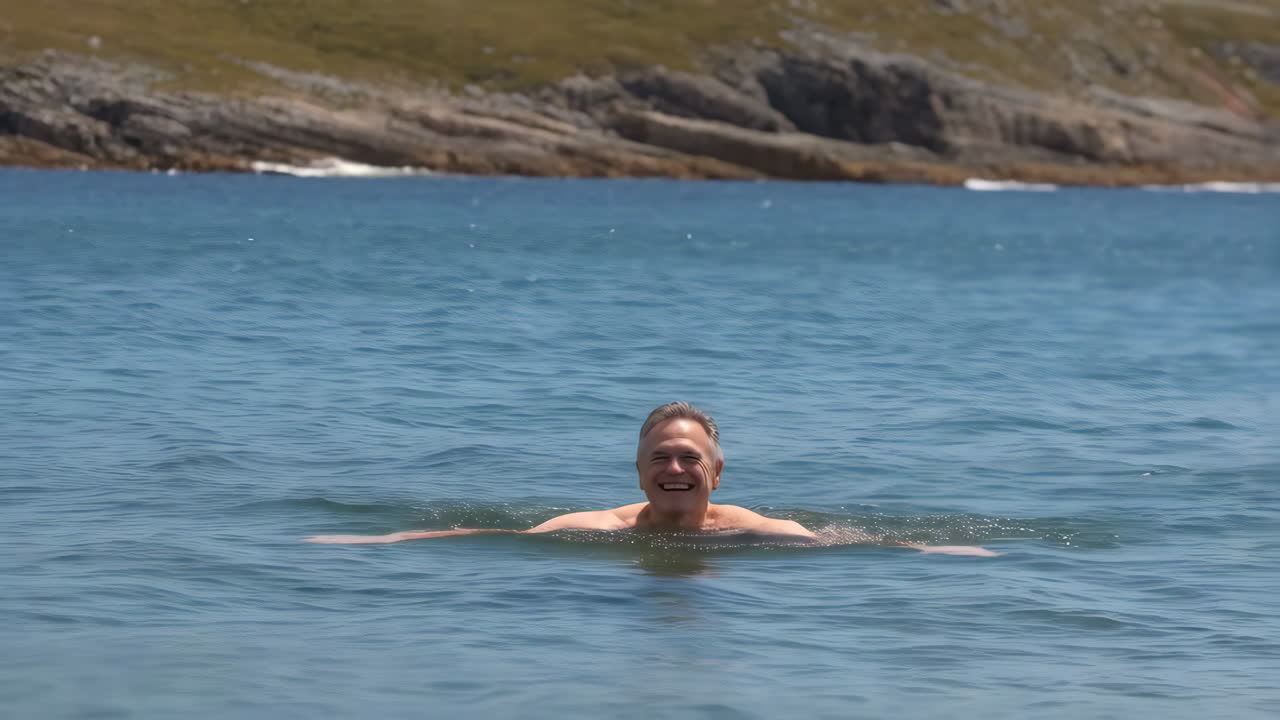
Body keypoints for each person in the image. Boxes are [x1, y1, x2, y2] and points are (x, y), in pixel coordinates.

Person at [305, 402, 998, 556]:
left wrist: (932, 553)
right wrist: (390, 540)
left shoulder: (758, 534)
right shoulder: (595, 528)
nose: (674, 469)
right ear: (638, 474)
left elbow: (845, 544)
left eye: (689, 459)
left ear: (716, 475)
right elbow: (494, 534)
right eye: (661, 459)